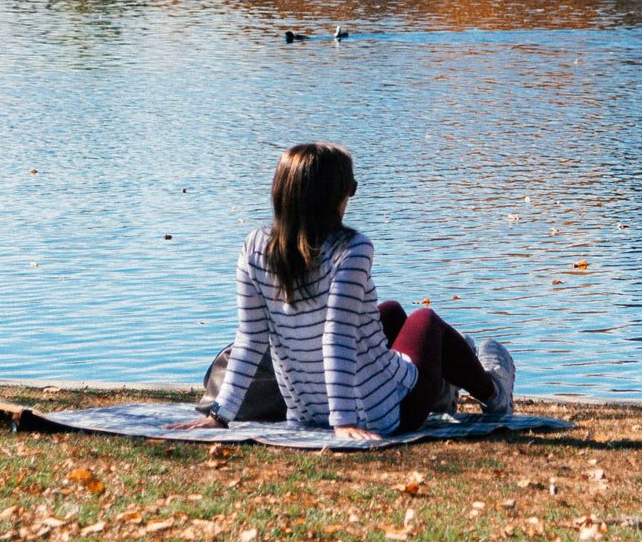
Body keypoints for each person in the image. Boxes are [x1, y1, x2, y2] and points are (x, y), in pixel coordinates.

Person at [204, 142, 514, 440]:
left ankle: (449, 378)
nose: (351, 195)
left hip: (308, 414)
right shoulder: (351, 249)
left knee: (390, 312)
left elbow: (250, 339)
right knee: (424, 320)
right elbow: (336, 337)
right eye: (351, 187)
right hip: (386, 414)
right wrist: (344, 422)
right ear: (334, 195)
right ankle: (494, 393)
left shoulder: (254, 248)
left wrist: (219, 415)